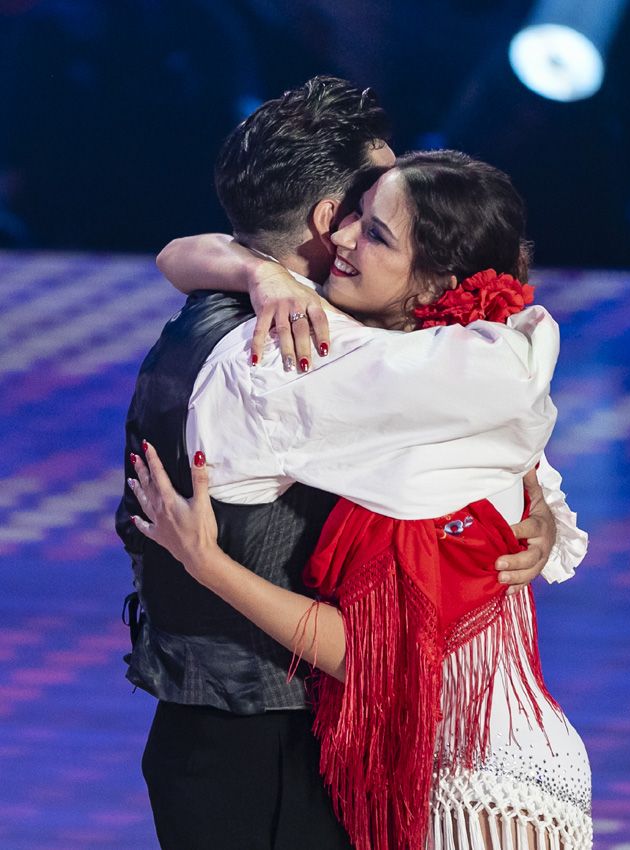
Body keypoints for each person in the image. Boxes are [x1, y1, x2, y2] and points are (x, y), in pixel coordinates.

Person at [116, 78, 578, 850]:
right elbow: (509, 384)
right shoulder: (295, 355)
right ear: (332, 220)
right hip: (267, 747)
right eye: (373, 209)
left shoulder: (266, 314)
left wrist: (530, 503)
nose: (370, 228)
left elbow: (180, 253)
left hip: (286, 739)